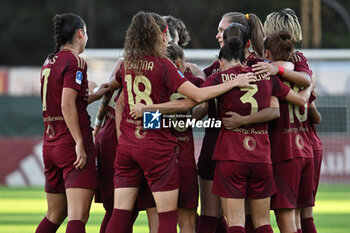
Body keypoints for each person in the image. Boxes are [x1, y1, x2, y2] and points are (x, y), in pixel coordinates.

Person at [104, 11, 256, 233]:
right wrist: (235, 81)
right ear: (161, 36)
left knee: (120, 212)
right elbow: (197, 97)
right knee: (167, 216)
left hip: (128, 144)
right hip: (157, 148)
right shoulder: (164, 66)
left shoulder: (128, 64)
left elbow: (117, 97)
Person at [203, 33, 312, 233]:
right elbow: (295, 102)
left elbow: (193, 102)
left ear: (220, 61)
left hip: (231, 154)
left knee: (235, 221)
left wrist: (150, 117)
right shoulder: (266, 76)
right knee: (263, 222)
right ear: (246, 58)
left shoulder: (217, 78)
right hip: (261, 157)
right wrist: (310, 86)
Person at [36, 13, 109, 233]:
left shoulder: (49, 61)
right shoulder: (75, 61)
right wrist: (79, 141)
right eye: (85, 33)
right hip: (71, 145)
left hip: (50, 143)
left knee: (55, 214)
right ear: (80, 33)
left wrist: (93, 96)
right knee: (78, 215)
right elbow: (67, 105)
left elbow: (61, 101)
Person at [196, 12, 266, 233]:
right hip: (253, 151)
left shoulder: (218, 72)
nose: (218, 35)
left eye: (221, 31)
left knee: (216, 217)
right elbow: (275, 109)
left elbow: (197, 104)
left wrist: (155, 119)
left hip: (224, 145)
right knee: (252, 220)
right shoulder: (262, 67)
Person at [252, 8, 315, 233]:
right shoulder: (295, 62)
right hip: (302, 145)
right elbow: (308, 94)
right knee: (300, 216)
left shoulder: (268, 67)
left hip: (281, 148)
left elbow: (197, 107)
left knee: (285, 217)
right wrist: (307, 96)